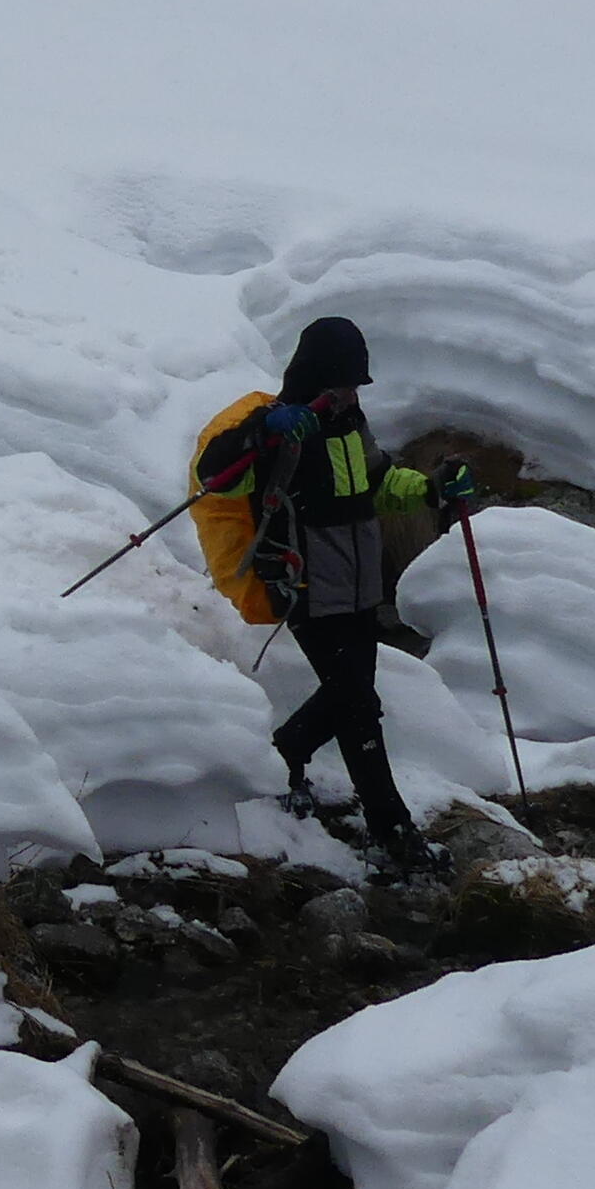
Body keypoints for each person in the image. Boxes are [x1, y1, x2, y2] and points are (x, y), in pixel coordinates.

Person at [192, 317, 455, 872]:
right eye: (342, 384)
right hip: (303, 588)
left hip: (358, 590)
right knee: (358, 706)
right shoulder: (276, 429)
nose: (350, 395)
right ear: (313, 376)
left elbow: (380, 483)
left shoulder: (350, 424)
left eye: (356, 385)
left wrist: (432, 489)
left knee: (353, 698)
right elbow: (216, 475)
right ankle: (394, 834)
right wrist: (263, 431)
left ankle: (284, 755)